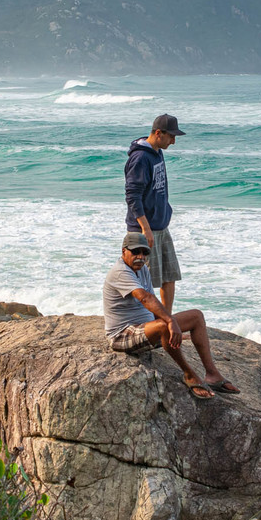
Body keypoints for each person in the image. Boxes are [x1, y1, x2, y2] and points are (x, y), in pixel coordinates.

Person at [103, 232, 240, 400]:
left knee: (196, 316)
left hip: (145, 328)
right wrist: (169, 321)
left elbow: (152, 305)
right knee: (164, 326)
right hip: (123, 334)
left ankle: (212, 374)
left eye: (145, 253)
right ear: (124, 251)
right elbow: (146, 298)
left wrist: (169, 325)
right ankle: (189, 374)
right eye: (135, 251)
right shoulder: (120, 272)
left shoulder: (142, 268)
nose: (141, 256)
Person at [124, 113, 184, 314]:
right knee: (145, 281)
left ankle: (166, 320)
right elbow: (132, 196)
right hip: (145, 229)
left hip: (160, 225)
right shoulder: (140, 158)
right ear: (158, 133)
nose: (174, 141)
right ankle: (149, 321)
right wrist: (145, 228)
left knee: (169, 275)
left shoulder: (157, 152)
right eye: (171, 136)